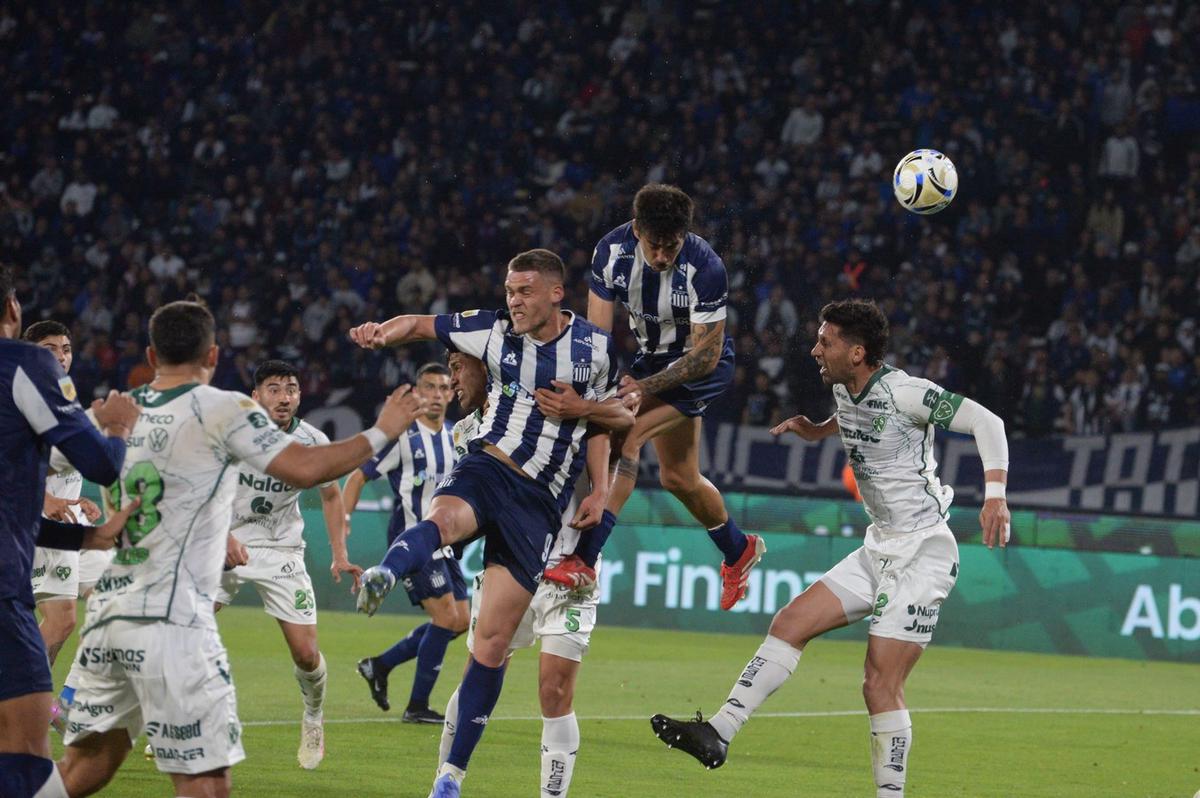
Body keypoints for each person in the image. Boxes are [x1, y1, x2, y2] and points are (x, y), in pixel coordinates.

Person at [53, 299, 421, 798]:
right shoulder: (224, 409)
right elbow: (311, 470)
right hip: (176, 618)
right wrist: (384, 429)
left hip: (114, 608)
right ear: (212, 355)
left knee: (86, 766)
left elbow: (45, 466)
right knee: (207, 782)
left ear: (149, 353)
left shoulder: (116, 411)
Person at [650, 299, 1012, 798]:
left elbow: (988, 422)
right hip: (878, 547)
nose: (815, 349)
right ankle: (719, 732)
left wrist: (996, 497)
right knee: (789, 623)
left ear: (858, 351)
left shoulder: (909, 392)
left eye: (827, 342)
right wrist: (818, 430)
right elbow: (855, 419)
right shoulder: (845, 388)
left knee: (879, 685)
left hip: (923, 553)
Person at [347, 248, 633, 798]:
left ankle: (454, 775)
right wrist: (382, 332)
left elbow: (611, 423)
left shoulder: (594, 349)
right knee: (445, 516)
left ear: (555, 292)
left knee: (491, 646)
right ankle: (386, 572)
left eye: (524, 291)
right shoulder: (490, 328)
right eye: (508, 290)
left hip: (541, 505)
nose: (513, 301)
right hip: (489, 465)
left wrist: (598, 484)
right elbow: (419, 324)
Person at [545, 183, 764, 611]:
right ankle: (739, 550)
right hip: (650, 361)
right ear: (636, 230)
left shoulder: (705, 267)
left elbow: (707, 354)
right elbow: (598, 338)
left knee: (626, 435)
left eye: (672, 246)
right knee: (677, 477)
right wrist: (599, 391)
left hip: (700, 366)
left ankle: (584, 561)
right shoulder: (610, 253)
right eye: (654, 246)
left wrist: (640, 390)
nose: (663, 256)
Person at [436, 350, 614, 797]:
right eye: (450, 367)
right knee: (478, 669)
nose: (454, 378)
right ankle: (445, 781)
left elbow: (615, 463)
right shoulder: (465, 433)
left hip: (569, 576)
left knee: (554, 692)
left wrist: (588, 555)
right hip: (510, 570)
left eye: (460, 365)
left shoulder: (555, 408)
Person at [0, 263, 142, 798]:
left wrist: (87, 537)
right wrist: (117, 428)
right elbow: (103, 465)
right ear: (13, 309)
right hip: (2, 592)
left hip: (32, 553)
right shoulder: (23, 365)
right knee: (28, 764)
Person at [213, 359, 364, 769]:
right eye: (275, 388)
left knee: (306, 654)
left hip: (280, 549)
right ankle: (183, 717)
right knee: (186, 631)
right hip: (224, 543)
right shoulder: (233, 430)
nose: (285, 397)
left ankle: (313, 716)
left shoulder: (311, 440)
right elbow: (203, 486)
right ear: (256, 395)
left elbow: (331, 497)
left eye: (292, 389)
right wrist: (222, 535)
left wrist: (340, 554)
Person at [347, 362, 470, 724]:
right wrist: (345, 520)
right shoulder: (403, 437)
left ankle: (380, 665)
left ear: (451, 393)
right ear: (417, 392)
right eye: (428, 387)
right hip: (411, 543)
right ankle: (417, 706)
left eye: (442, 388)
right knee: (446, 617)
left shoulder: (455, 436)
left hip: (445, 543)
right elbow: (357, 477)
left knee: (461, 620)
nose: (435, 395)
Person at [21, 322, 111, 727]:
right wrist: (46, 499)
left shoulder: (66, 396)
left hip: (68, 518)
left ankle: (52, 702)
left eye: (67, 348)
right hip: (36, 521)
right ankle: (23, 703)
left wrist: (75, 499)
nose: (61, 355)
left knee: (117, 596)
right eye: (49, 347)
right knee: (61, 620)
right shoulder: (18, 394)